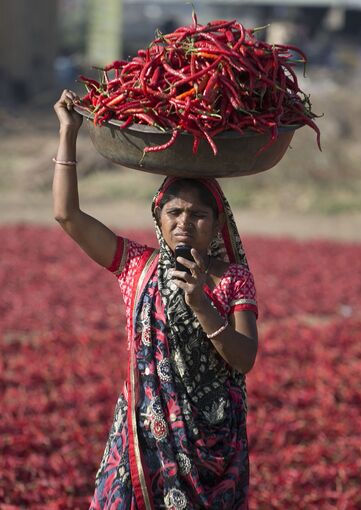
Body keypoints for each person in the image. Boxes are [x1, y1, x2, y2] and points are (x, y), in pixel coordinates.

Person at [53, 89, 259, 509]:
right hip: (144, 438)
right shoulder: (136, 266)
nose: (185, 224)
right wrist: (68, 131)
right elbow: (67, 216)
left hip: (211, 447)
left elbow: (245, 358)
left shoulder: (233, 279)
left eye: (198, 216)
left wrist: (199, 300)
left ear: (217, 223)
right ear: (158, 218)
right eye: (174, 214)